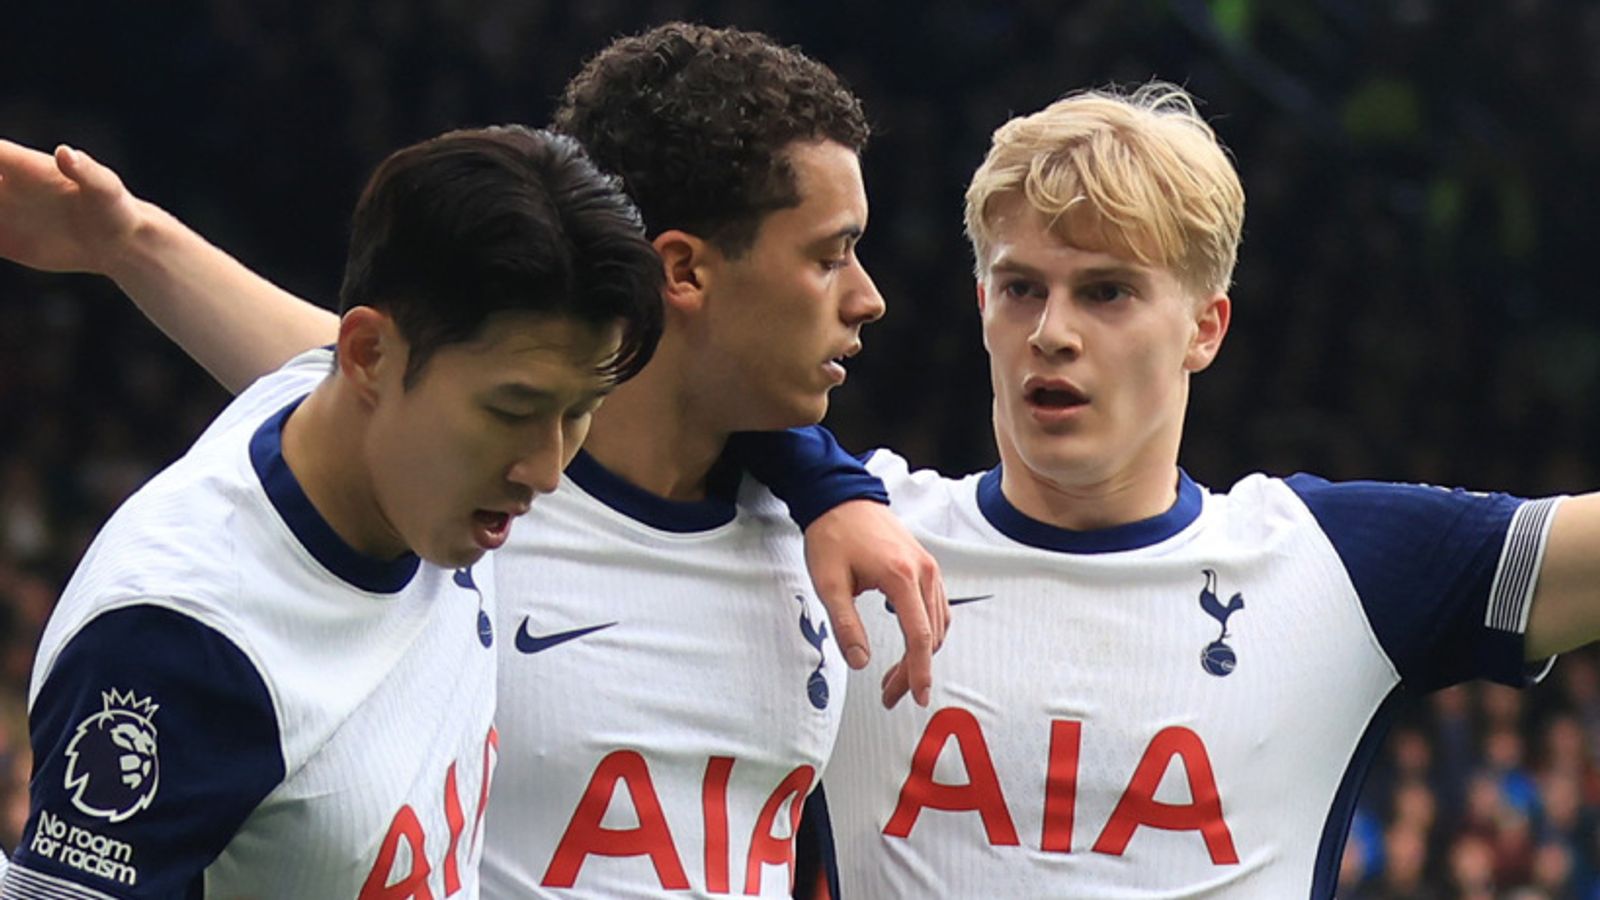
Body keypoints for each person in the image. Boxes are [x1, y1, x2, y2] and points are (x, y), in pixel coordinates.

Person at [0, 22, 946, 898]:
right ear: (685, 270)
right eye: (831, 256)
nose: (543, 470)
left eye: (574, 413)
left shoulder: (847, 535)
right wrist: (125, 244)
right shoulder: (222, 615)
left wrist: (829, 484)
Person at [742, 81, 1598, 897]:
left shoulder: (1336, 566)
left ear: (1205, 327)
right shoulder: (857, 537)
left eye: (1107, 291)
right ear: (980, 302)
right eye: (1020, 288)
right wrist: (816, 480)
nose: (1052, 332)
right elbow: (665, 338)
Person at [0, 126, 666, 896]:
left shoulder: (389, 441)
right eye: (514, 409)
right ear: (371, 359)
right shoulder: (183, 639)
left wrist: (128, 238)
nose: (549, 472)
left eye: (581, 411)